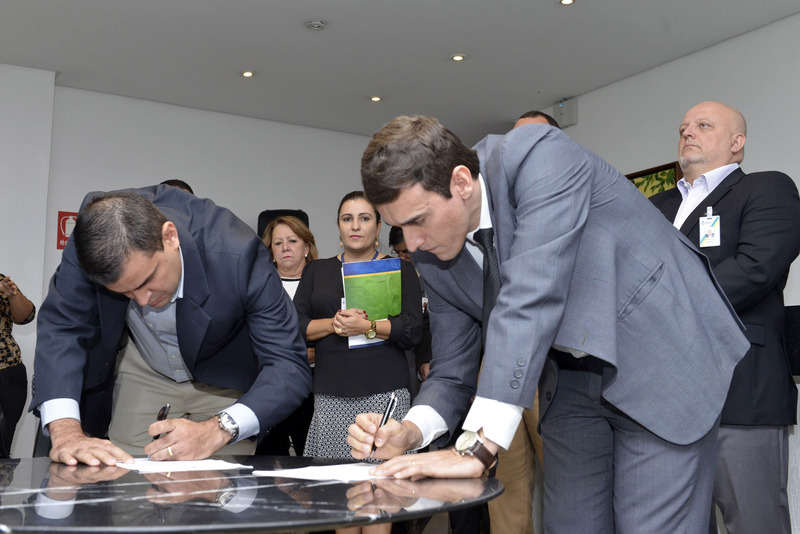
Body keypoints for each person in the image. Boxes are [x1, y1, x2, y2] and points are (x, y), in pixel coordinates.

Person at [348, 115, 751, 533]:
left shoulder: (537, 154)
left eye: (417, 220)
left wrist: (477, 448)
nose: (412, 243)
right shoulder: (432, 252)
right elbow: (451, 369)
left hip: (661, 357)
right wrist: (411, 432)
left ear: (461, 182)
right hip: (570, 379)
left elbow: (531, 293)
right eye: (400, 227)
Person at [32, 185, 311, 466]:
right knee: (125, 480)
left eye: (147, 280)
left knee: (217, 484)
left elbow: (288, 364)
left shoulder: (237, 252)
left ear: (170, 237)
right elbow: (63, 325)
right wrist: (66, 432)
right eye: (125, 292)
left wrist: (219, 429)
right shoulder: (94, 234)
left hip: (222, 375)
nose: (143, 301)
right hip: (144, 367)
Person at [650, 101, 800, 534]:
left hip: (739, 388)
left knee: (754, 523)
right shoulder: (654, 206)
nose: (688, 132)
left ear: (737, 143)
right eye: (683, 127)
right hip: (660, 399)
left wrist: (657, 301)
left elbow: (755, 269)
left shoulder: (766, 188)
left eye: (703, 125)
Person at [294, 191, 422, 534]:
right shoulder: (316, 271)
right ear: (338, 226)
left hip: (384, 394)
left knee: (381, 496)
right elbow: (296, 327)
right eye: (347, 219)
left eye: (364, 218)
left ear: (378, 227)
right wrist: (334, 324)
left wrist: (367, 327)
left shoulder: (399, 269)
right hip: (332, 395)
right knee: (342, 498)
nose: (355, 226)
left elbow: (412, 330)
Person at [256, 215, 318, 456]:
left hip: (315, 387)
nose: (285, 248)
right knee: (267, 461)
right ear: (271, 251)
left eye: (292, 241)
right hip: (270, 386)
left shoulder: (324, 285)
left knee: (313, 461)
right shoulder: (258, 287)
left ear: (307, 247)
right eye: (278, 243)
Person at [0, 274, 35, 455]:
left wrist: (13, 295)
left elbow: (25, 317)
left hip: (5, 372)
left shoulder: (1, 282)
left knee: (2, 450)